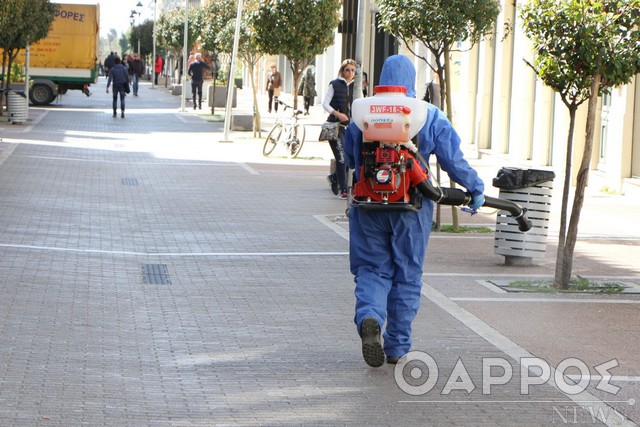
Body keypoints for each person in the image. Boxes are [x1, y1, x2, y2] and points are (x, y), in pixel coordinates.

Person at [344, 55, 485, 368]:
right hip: (413, 206)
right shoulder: (428, 114)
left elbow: (352, 160)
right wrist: (474, 189)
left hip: (368, 207)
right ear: (411, 82)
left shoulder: (361, 111)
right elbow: (453, 160)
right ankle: (396, 346)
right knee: (407, 276)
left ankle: (369, 317)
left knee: (371, 269)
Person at [322, 58, 356, 199]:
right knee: (341, 158)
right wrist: (337, 114)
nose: (350, 73)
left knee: (349, 158)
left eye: (353, 70)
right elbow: (325, 104)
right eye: (347, 70)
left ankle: (334, 177)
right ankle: (343, 189)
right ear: (342, 71)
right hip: (336, 127)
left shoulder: (358, 86)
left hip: (351, 128)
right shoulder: (334, 84)